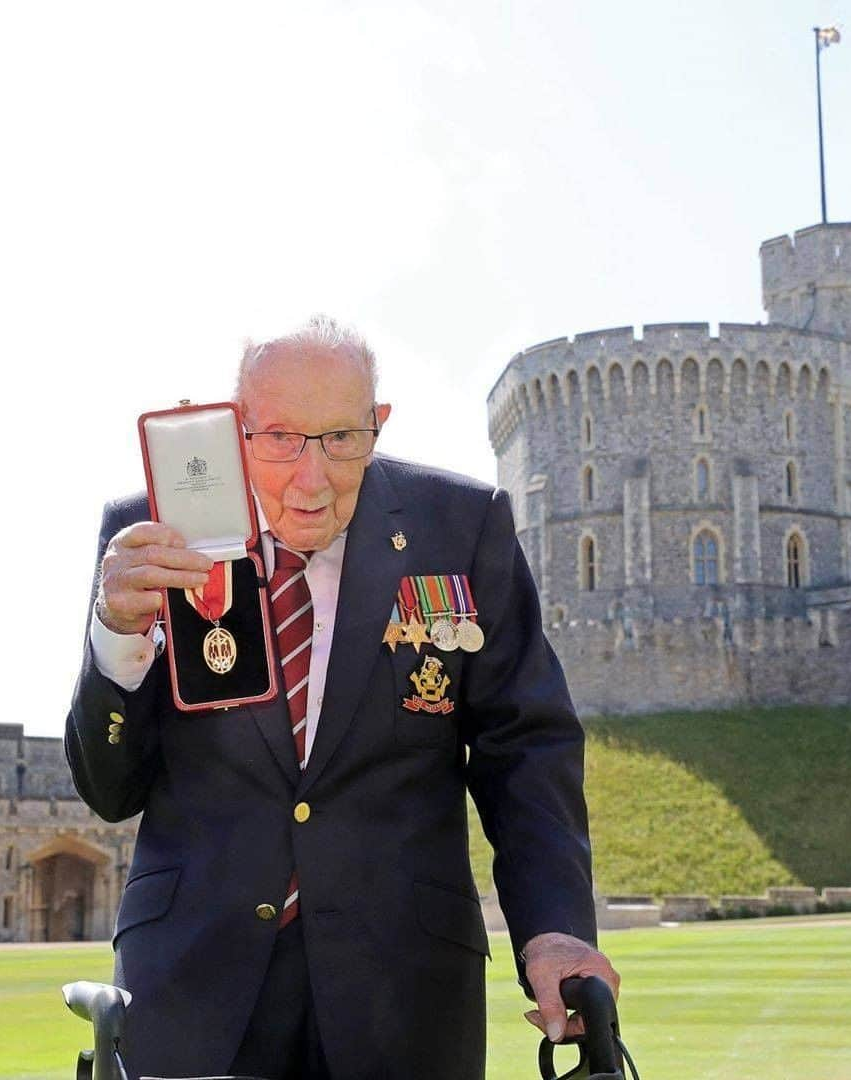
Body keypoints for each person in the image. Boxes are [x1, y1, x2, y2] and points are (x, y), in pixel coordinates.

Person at [65, 316, 618, 1080]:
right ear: (235, 429)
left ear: (377, 425)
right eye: (283, 439)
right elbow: (108, 789)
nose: (311, 477)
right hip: (192, 985)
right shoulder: (148, 535)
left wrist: (554, 930)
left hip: (404, 994)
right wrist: (118, 634)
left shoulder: (461, 527)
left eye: (340, 440)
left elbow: (525, 747)